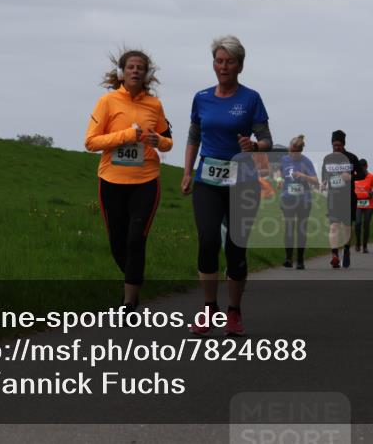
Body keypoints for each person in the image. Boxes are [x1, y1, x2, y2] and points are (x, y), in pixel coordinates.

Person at [181, 36, 272, 335]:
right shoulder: (202, 97)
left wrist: (254, 145)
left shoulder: (251, 98)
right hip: (207, 179)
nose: (223, 66)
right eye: (219, 61)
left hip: (243, 182)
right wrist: (186, 172)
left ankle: (234, 311)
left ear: (240, 65)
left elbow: (267, 140)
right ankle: (209, 309)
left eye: (229, 61)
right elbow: (194, 135)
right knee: (208, 241)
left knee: (236, 248)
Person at [85, 49, 173, 312]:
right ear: (123, 72)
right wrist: (125, 135)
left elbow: (167, 142)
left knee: (136, 239)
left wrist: (160, 141)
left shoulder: (154, 105)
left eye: (140, 67)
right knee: (117, 242)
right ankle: (133, 286)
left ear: (147, 74)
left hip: (146, 179)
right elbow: (91, 142)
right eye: (131, 67)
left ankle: (128, 303)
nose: (136, 71)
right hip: (112, 179)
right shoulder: (107, 102)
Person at [321, 130, 365, 268]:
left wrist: (351, 177)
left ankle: (346, 251)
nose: (336, 148)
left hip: (348, 198)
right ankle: (334, 255)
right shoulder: (328, 158)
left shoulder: (352, 157)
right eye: (334, 145)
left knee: (346, 227)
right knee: (334, 226)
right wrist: (323, 183)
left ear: (344, 144)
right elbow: (324, 174)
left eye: (339, 145)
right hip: (333, 197)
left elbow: (362, 175)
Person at [280, 134, 318, 269]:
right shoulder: (283, 160)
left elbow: (315, 181)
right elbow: (279, 174)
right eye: (291, 150)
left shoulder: (306, 162)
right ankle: (288, 258)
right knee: (289, 228)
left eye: (296, 152)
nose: (292, 154)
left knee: (301, 229)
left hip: (304, 200)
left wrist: (304, 176)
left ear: (300, 151)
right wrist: (279, 181)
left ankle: (300, 260)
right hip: (287, 199)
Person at [353, 158, 373, 252]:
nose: (361, 170)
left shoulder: (371, 177)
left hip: (369, 204)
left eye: (362, 168)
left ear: (366, 167)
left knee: (366, 224)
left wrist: (372, 194)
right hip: (357, 203)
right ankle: (358, 242)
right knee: (357, 223)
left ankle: (365, 246)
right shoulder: (354, 176)